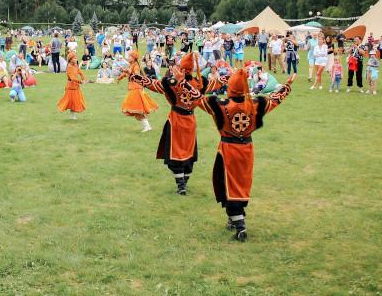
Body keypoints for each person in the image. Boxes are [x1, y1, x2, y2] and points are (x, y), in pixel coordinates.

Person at [197, 69, 295, 241]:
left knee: (228, 184)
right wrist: (287, 86)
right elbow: (275, 99)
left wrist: (182, 82)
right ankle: (233, 219)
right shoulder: (256, 105)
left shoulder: (220, 106)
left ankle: (240, 226)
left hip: (228, 150)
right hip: (247, 149)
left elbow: (197, 99)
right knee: (240, 184)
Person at [129, 52, 228, 195]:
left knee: (175, 153)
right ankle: (184, 183)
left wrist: (134, 77)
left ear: (181, 68)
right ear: (192, 69)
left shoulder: (172, 83)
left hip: (176, 120)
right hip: (190, 121)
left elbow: (153, 84)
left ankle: (181, 186)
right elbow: (216, 83)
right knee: (188, 152)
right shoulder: (199, 83)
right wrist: (229, 77)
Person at [118, 50, 159, 133]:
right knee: (136, 108)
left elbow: (136, 75)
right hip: (133, 89)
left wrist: (127, 71)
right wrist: (120, 77)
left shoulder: (136, 66)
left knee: (135, 108)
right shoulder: (131, 65)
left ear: (134, 58)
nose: (128, 57)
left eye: (130, 56)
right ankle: (147, 126)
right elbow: (127, 74)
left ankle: (147, 126)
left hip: (136, 89)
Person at [56, 52, 86, 119]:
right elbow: (72, 78)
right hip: (71, 86)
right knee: (71, 101)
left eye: (76, 58)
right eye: (74, 58)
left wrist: (83, 78)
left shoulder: (75, 65)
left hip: (76, 86)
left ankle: (73, 115)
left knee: (76, 101)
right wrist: (80, 81)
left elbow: (80, 72)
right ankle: (72, 115)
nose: (76, 59)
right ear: (70, 59)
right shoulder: (69, 67)